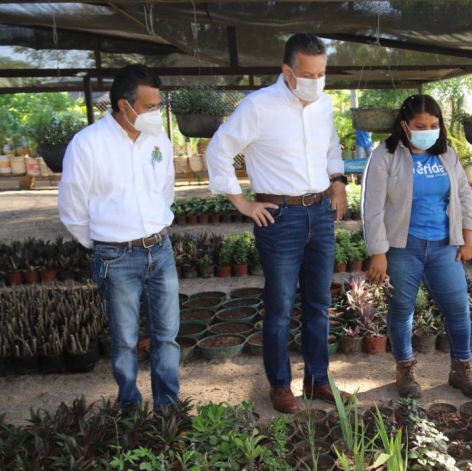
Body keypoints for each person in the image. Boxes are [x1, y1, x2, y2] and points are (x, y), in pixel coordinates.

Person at [205, 33, 352, 414]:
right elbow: (218, 150)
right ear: (287, 71)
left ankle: (318, 379)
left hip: (320, 212)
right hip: (280, 216)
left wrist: (337, 181)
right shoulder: (258, 106)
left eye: (321, 73)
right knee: (280, 306)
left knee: (319, 303)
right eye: (308, 74)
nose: (316, 81)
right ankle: (280, 385)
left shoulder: (324, 104)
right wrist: (241, 201)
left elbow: (332, 145)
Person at [58, 65, 180, 412]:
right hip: (116, 256)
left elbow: (165, 191)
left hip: (160, 249)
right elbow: (72, 206)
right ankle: (129, 406)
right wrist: (103, 243)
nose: (156, 113)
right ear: (124, 105)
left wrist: (153, 225)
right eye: (149, 107)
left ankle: (168, 406)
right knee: (125, 339)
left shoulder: (158, 140)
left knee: (167, 335)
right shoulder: (88, 144)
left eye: (158, 106)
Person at [361, 94, 472, 400]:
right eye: (420, 126)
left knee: (458, 307)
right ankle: (405, 370)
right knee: (402, 309)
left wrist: (468, 234)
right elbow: (372, 207)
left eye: (434, 125)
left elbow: (463, 195)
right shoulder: (385, 155)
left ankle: (461, 369)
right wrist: (378, 252)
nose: (428, 131)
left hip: (444, 246)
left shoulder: (446, 154)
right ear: (405, 125)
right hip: (403, 247)